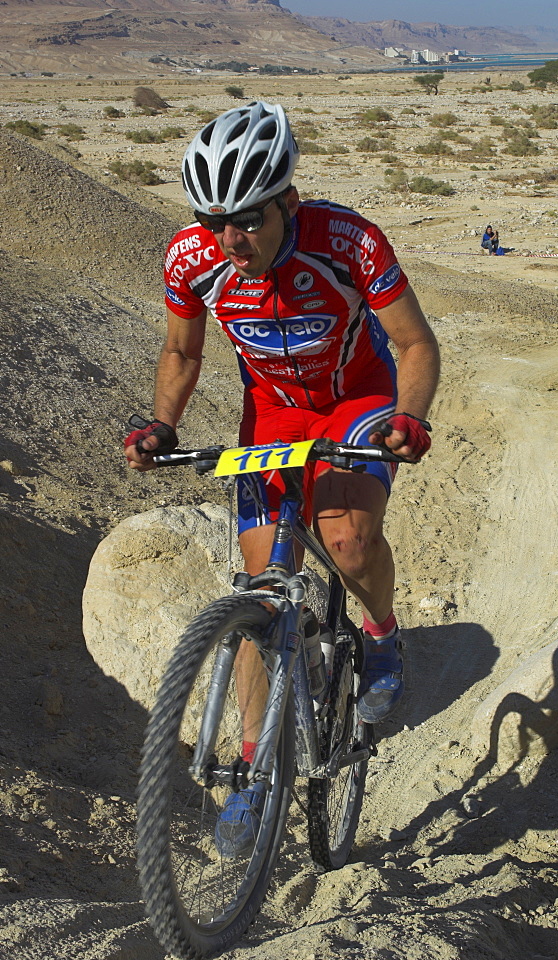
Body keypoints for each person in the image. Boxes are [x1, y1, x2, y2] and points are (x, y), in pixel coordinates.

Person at [124, 101, 440, 853]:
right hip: (272, 413)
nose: (230, 240)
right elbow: (183, 353)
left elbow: (415, 342)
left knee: (349, 542)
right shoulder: (192, 259)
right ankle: (253, 777)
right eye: (213, 220)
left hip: (356, 398)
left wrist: (410, 416)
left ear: (288, 202)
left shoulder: (348, 241)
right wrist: (160, 424)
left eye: (249, 221)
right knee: (264, 591)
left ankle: (384, 635)